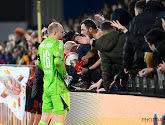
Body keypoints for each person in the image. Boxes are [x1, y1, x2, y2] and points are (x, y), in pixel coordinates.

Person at [37, 22, 70, 125]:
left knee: (44, 119)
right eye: (61, 32)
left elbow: (39, 63)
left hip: (46, 85)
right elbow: (58, 63)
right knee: (59, 120)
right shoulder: (58, 43)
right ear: (55, 32)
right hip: (57, 86)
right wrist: (65, 76)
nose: (63, 34)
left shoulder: (42, 44)